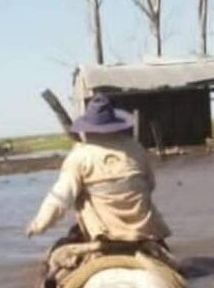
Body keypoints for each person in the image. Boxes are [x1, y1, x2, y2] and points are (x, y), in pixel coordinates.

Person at [25, 95, 171, 246]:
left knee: (58, 256)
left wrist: (38, 224)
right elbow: (150, 185)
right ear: (116, 125)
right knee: (172, 264)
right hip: (145, 233)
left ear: (87, 128)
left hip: (103, 235)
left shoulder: (79, 156)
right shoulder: (136, 149)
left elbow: (60, 198)